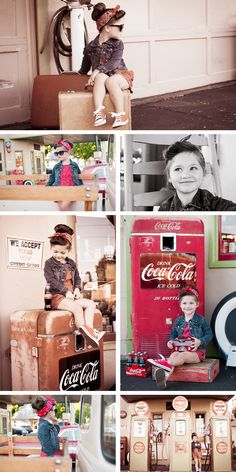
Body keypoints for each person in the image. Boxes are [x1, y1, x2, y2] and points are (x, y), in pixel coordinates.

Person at [44, 223, 105, 347]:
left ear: (68, 251)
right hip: (57, 297)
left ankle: (90, 332)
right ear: (51, 249)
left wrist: (77, 288)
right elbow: (50, 280)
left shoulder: (71, 263)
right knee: (77, 309)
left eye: (62, 252)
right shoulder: (49, 263)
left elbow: (77, 277)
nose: (59, 255)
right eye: (55, 251)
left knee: (90, 304)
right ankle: (86, 335)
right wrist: (65, 291)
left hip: (71, 297)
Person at [79, 2, 134, 128]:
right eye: (120, 27)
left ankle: (121, 115)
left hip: (120, 75)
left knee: (110, 81)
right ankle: (99, 113)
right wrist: (80, 76)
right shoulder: (90, 47)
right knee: (100, 78)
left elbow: (114, 62)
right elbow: (84, 68)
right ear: (107, 28)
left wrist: (97, 70)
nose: (122, 29)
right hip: (104, 77)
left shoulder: (118, 44)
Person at [148, 287, 213, 389]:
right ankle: (164, 379)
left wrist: (200, 341)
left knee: (181, 356)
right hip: (179, 348)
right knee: (174, 354)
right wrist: (170, 341)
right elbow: (173, 334)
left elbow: (209, 334)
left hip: (196, 352)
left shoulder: (201, 320)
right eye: (184, 303)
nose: (188, 306)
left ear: (197, 304)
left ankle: (163, 363)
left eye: (191, 303)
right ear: (180, 305)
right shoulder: (178, 320)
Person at [157, 137, 236, 211]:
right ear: (169, 176)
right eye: (178, 169)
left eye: (193, 168)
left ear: (203, 173)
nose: (185, 175)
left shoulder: (220, 206)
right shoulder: (164, 209)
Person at [46, 139, 83, 211]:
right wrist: (46, 188)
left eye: (61, 152)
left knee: (64, 207)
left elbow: (79, 178)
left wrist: (81, 189)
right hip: (59, 191)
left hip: (71, 191)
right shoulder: (56, 166)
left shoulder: (74, 165)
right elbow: (52, 178)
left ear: (69, 152)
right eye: (57, 153)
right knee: (61, 210)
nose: (58, 155)